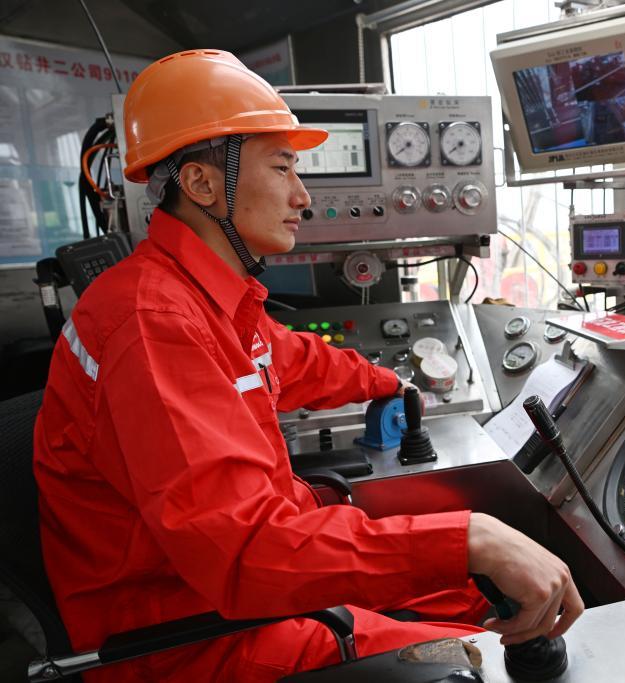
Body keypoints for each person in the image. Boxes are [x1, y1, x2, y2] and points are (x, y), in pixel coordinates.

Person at [33, 49, 583, 682]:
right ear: (203, 184)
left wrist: (389, 380)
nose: (302, 195)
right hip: (187, 635)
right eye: (282, 167)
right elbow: (244, 555)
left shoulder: (201, 294)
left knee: (469, 596)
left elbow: (290, 358)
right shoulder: (153, 323)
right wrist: (471, 537)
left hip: (240, 588)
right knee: (474, 658)